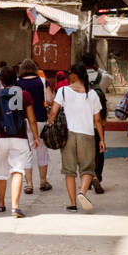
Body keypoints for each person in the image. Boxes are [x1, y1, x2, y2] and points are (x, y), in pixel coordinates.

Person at [0, 64, 39, 217]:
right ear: (16, 79)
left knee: (0, 172)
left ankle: (1, 204)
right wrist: (36, 137)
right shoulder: (24, 95)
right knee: (17, 170)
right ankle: (15, 207)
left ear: (1, 81)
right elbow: (32, 119)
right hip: (20, 138)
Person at [46, 63, 102, 212]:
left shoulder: (63, 91)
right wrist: (102, 139)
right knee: (88, 169)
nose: (68, 76)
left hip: (67, 135)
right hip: (87, 135)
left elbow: (53, 113)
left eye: (70, 73)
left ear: (75, 75)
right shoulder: (92, 94)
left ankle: (72, 204)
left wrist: (50, 125)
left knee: (69, 171)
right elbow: (97, 120)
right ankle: (82, 192)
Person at [16, 58, 52, 193]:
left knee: (27, 151)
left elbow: (16, 105)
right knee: (42, 149)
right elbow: (49, 100)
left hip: (23, 120)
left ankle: (29, 184)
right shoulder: (43, 81)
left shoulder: (17, 83)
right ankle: (43, 182)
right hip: (41, 119)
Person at [81, 52, 110, 195]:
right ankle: (97, 176)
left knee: (86, 152)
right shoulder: (103, 77)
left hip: (83, 120)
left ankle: (87, 178)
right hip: (98, 119)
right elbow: (109, 77)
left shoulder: (78, 78)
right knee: (99, 150)